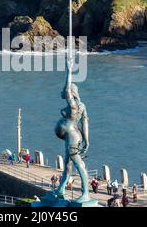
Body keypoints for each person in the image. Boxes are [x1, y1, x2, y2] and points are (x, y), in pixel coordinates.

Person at [54, 58, 90, 203]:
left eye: (66, 92)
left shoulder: (74, 105)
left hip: (72, 137)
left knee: (78, 163)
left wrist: (69, 71)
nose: (63, 93)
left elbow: (67, 88)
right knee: (67, 165)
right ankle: (61, 189)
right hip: (73, 136)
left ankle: (85, 192)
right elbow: (85, 123)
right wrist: (87, 141)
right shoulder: (81, 106)